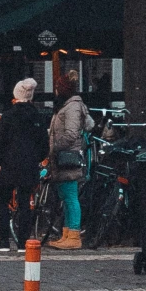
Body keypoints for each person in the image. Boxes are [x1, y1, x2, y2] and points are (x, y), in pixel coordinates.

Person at [0, 78, 48, 253]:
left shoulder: (8, 116)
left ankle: (3, 241)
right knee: (25, 201)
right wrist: (37, 158)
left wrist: (0, 161)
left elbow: (0, 142)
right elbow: (43, 144)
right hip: (29, 164)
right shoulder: (38, 116)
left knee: (3, 199)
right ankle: (24, 242)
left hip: (9, 164)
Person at [47, 75, 92, 251]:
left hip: (66, 157)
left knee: (71, 196)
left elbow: (72, 133)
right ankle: (66, 233)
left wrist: (55, 147)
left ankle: (73, 234)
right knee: (66, 196)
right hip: (61, 157)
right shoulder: (68, 105)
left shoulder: (71, 107)